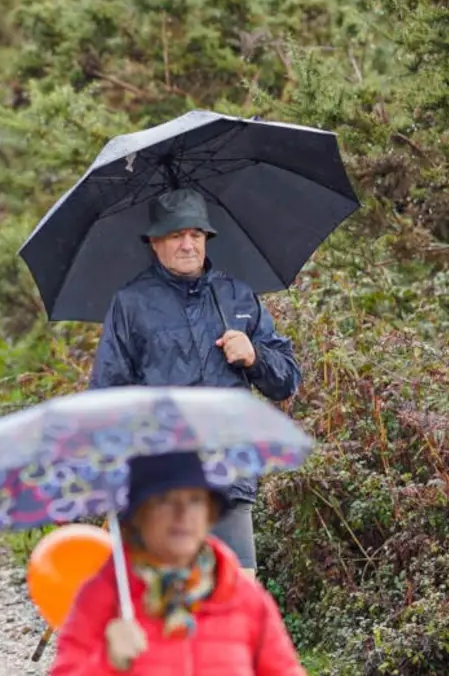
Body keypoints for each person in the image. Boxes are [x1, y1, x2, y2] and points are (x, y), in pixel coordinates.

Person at [88, 189, 301, 578]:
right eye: (175, 235)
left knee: (237, 595)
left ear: (207, 239)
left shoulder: (237, 296)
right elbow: (106, 397)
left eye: (196, 234)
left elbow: (287, 380)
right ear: (154, 242)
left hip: (228, 479)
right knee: (167, 603)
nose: (188, 245)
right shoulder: (130, 303)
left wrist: (255, 356)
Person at [51, 451, 305, 674]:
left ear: (210, 514)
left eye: (195, 500)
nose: (183, 513)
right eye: (165, 499)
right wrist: (106, 663)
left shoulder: (245, 599)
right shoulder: (103, 597)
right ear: (138, 514)